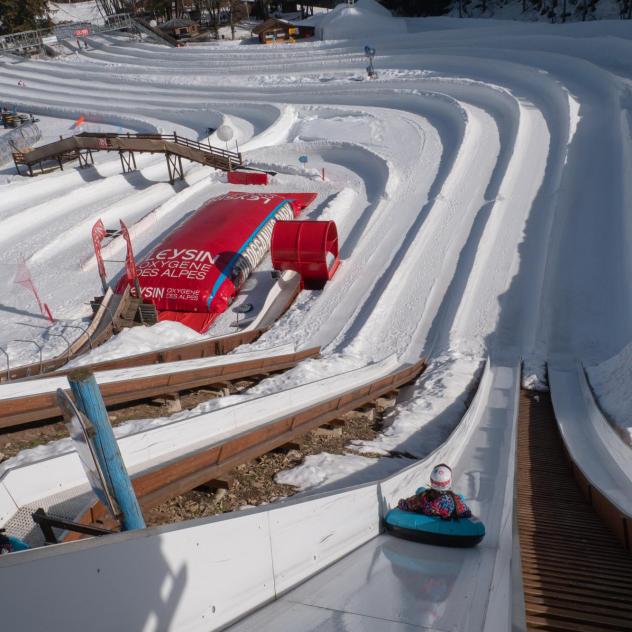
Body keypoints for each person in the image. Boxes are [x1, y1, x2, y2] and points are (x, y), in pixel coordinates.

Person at [397, 464, 472, 520]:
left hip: (426, 506)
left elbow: (404, 504)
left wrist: (401, 502)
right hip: (449, 506)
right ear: (449, 481)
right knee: (461, 497)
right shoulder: (455, 501)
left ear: (431, 481)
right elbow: (467, 513)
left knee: (421, 490)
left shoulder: (423, 498)